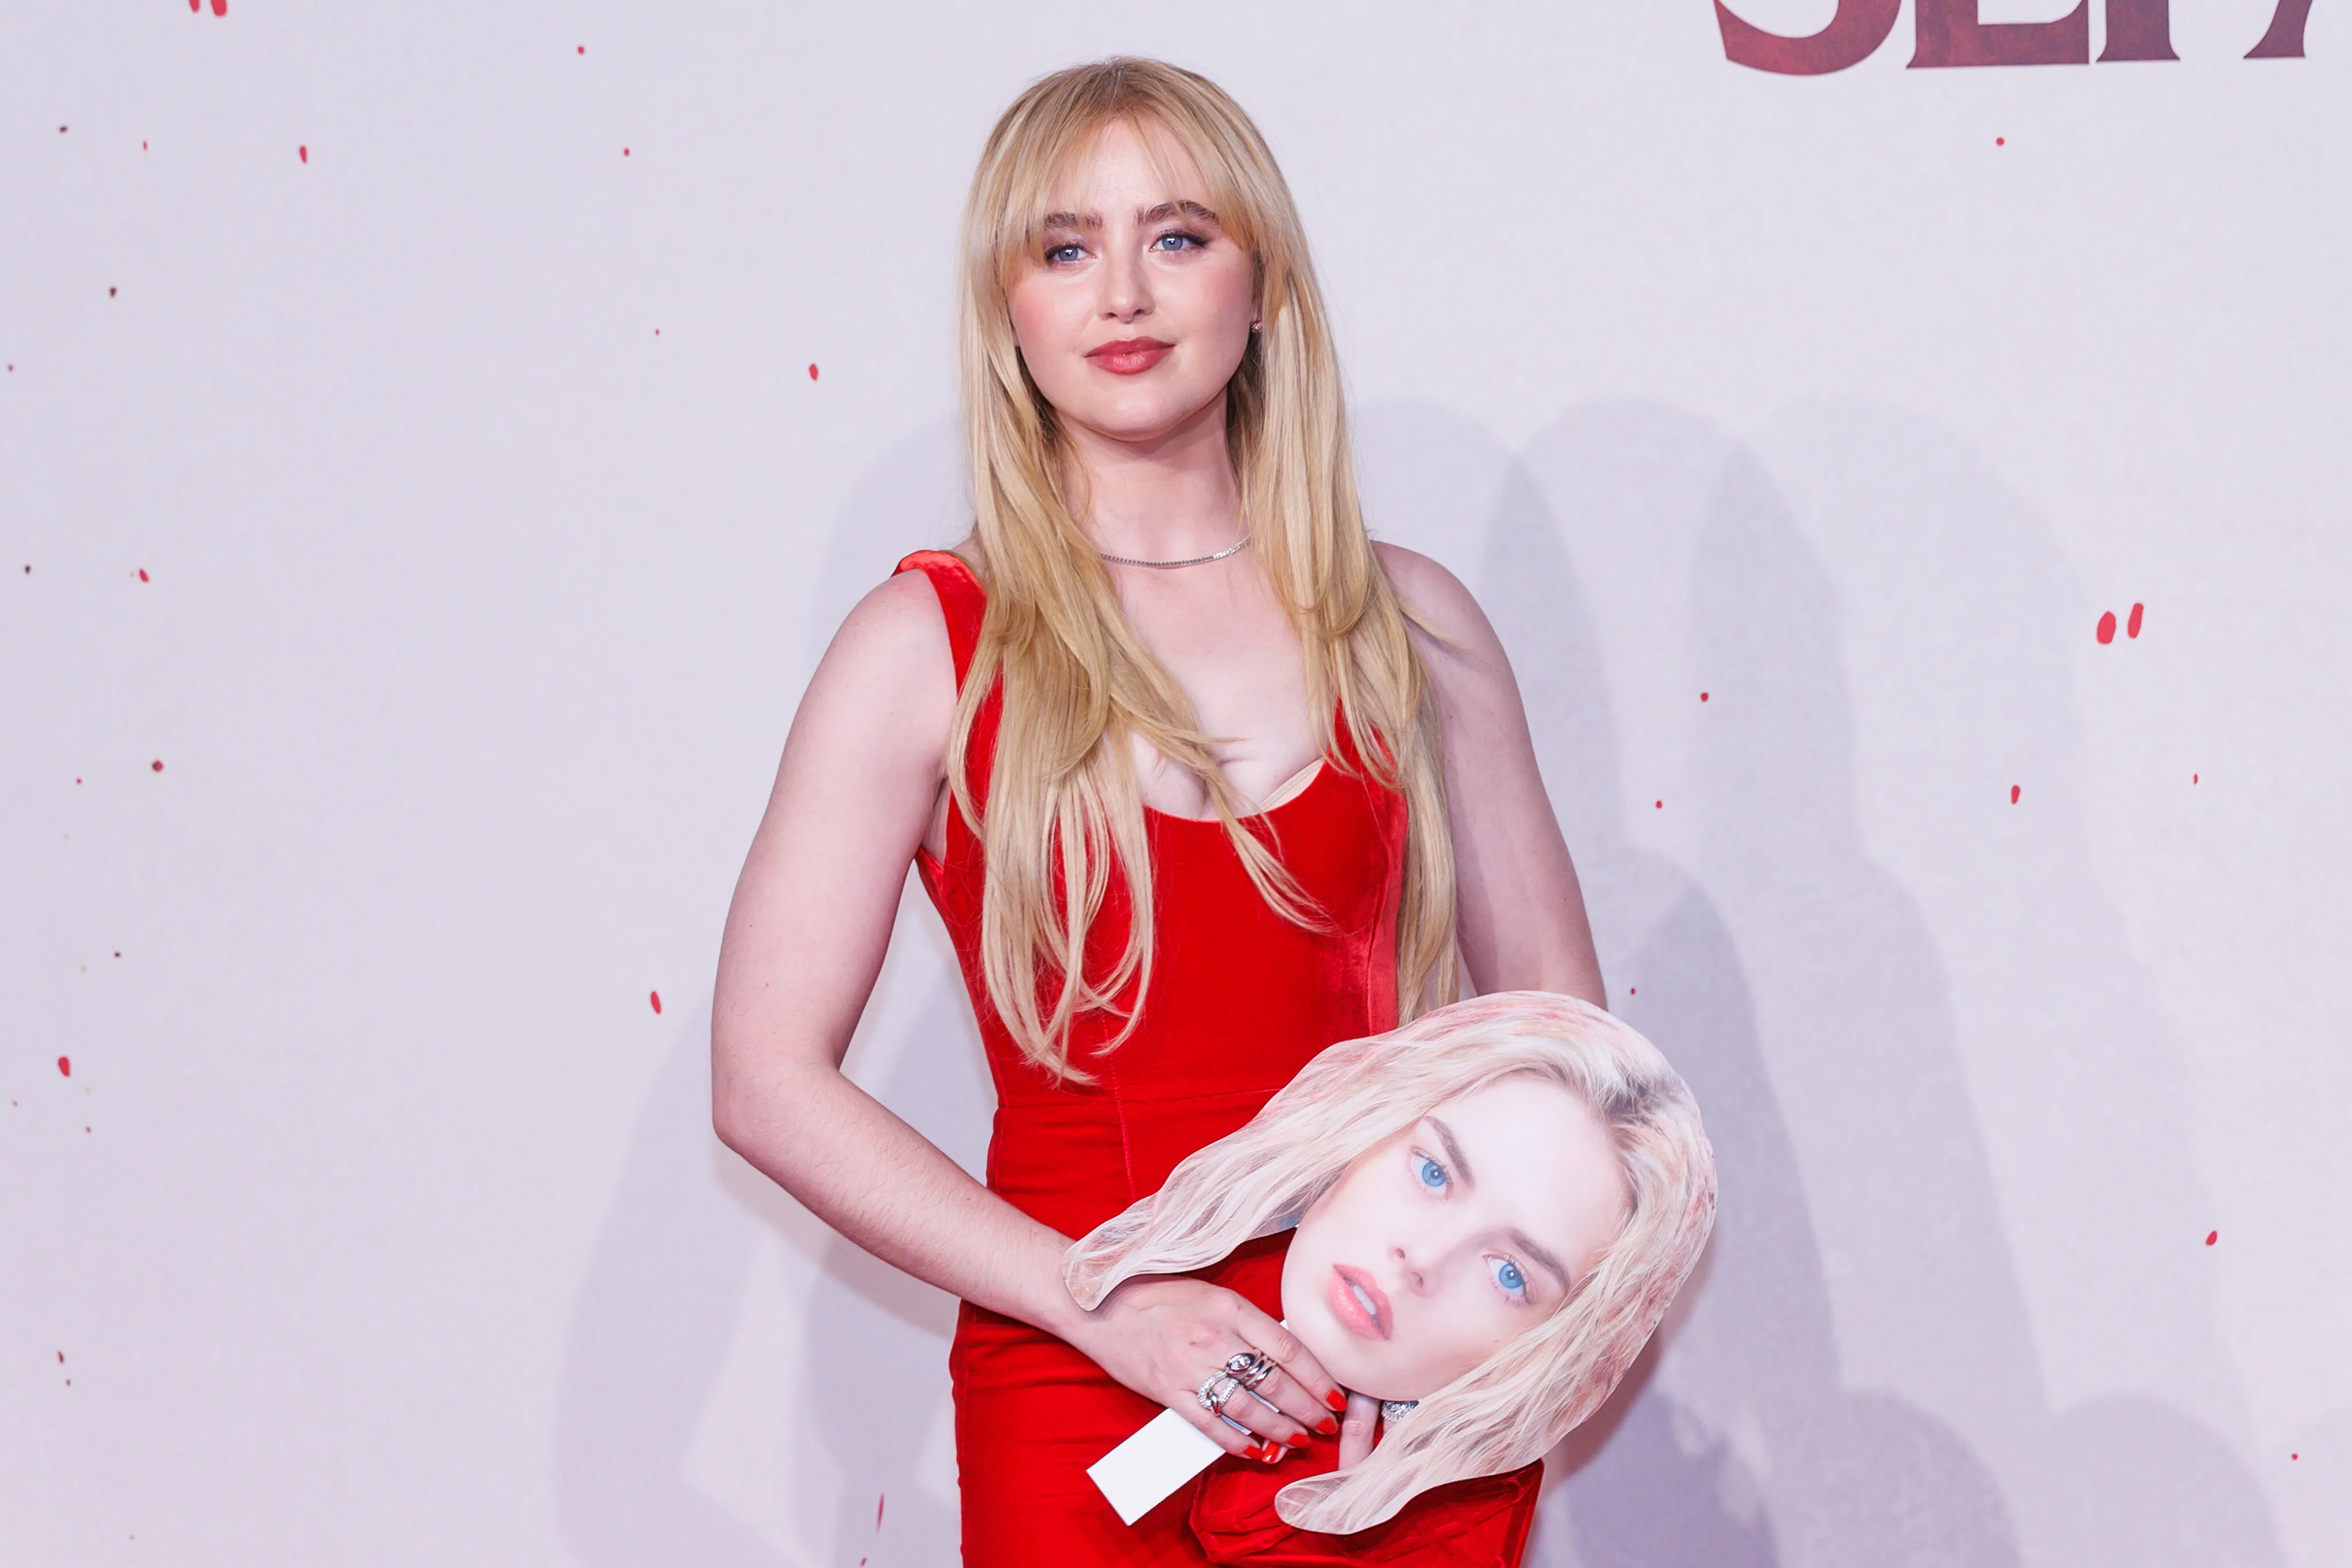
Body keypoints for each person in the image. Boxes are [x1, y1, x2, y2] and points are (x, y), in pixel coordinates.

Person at [711, 56, 1606, 1566]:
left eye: (1178, 236)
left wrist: (1455, 1347)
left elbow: (1567, 1056)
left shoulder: (1410, 627)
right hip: (1080, 1385)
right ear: (1008, 308)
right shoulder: (923, 647)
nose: (1122, 292)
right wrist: (1106, 1301)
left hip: (1388, 1402)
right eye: (1065, 248)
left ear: (1264, 287)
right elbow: (763, 1081)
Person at [1066, 990, 1715, 1558]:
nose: (1423, 1259)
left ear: (1559, 1347)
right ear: (1369, 1122)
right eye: (1433, 1173)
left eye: (1509, 1274)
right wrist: (1089, 1309)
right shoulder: (1144, 1305)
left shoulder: (1456, 1534)